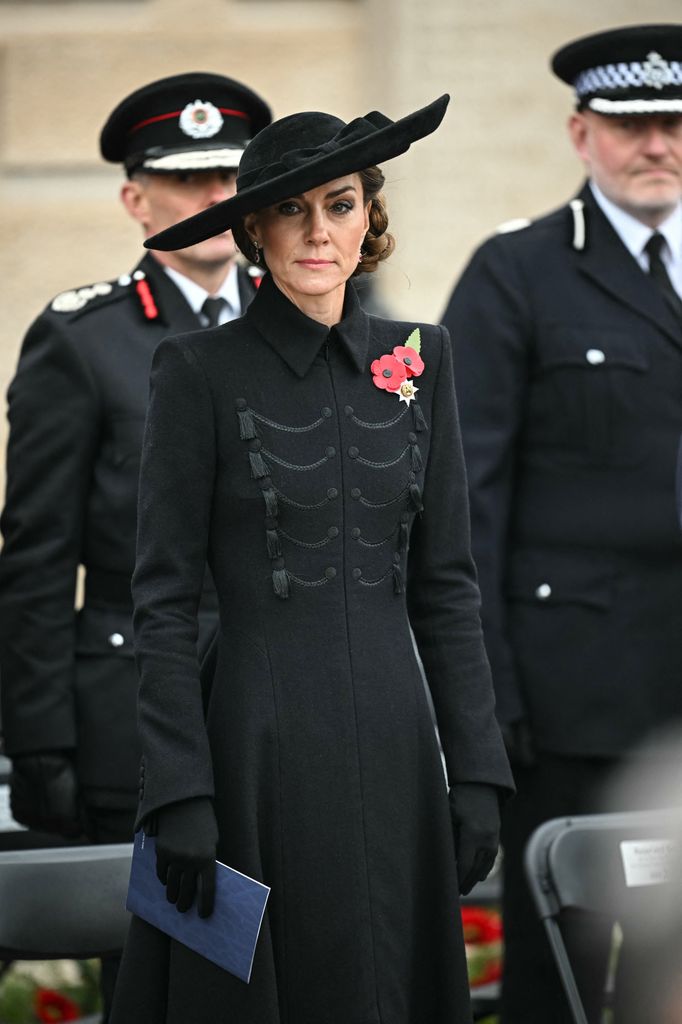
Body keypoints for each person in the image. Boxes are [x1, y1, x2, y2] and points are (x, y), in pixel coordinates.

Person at [109, 95, 514, 1024]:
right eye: (291, 210)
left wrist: (479, 770)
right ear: (254, 229)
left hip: (398, 736)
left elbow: (446, 585)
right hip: (253, 741)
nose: (318, 231)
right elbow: (163, 597)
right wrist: (180, 786)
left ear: (369, 214)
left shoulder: (424, 360)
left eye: (339, 203)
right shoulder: (197, 370)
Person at [441, 23, 682, 1024]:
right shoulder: (517, 274)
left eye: (673, 122)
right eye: (629, 125)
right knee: (568, 971)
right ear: (580, 133)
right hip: (571, 697)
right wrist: (484, 697)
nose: (655, 144)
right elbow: (463, 501)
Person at [0, 72, 271, 846]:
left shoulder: (297, 324)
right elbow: (39, 555)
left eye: (230, 176)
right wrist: (39, 737)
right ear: (136, 201)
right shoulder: (82, 341)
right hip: (138, 705)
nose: (214, 196)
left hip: (277, 701)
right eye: (187, 179)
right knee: (150, 957)